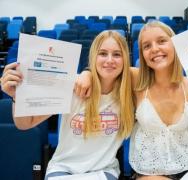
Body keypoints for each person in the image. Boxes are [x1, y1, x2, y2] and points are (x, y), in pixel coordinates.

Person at [75, 21, 188, 180]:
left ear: (175, 44)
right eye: (147, 46)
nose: (154, 49)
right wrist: (87, 73)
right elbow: (108, 66)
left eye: (162, 41)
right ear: (142, 54)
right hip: (150, 169)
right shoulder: (135, 79)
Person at [0, 30, 134, 180]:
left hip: (103, 171)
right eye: (103, 53)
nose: (109, 60)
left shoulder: (129, 93)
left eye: (117, 54)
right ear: (93, 57)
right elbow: (25, 124)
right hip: (63, 169)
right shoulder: (72, 86)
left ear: (125, 60)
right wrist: (17, 97)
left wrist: (87, 72)